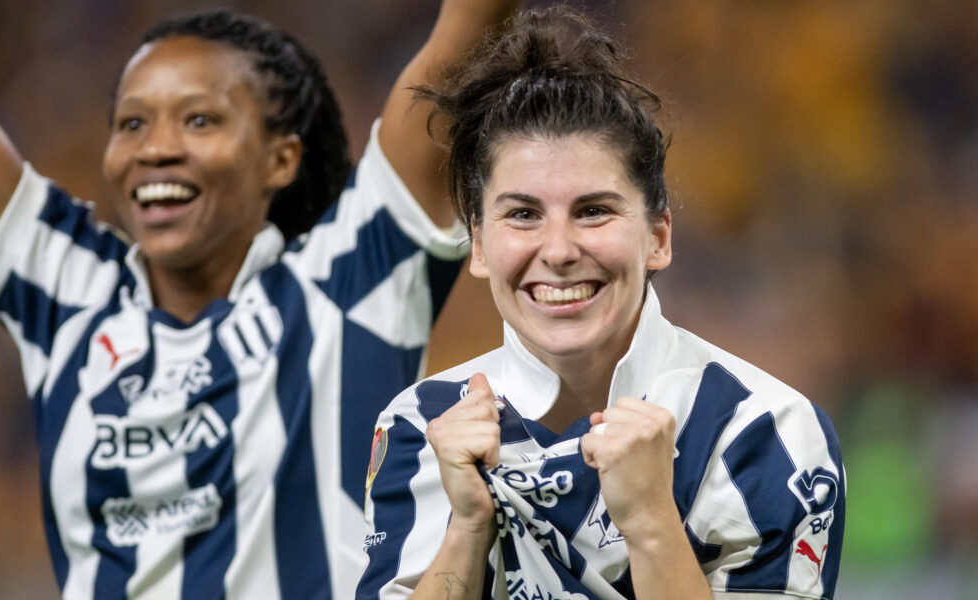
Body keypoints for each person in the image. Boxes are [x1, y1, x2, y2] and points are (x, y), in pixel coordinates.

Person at [0, 1, 519, 598]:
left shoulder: (352, 277)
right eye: (132, 124)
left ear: (281, 157)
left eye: (200, 120)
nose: (156, 149)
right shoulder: (65, 294)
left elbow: (472, 28)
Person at [357, 7, 845, 599]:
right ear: (479, 245)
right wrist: (465, 526)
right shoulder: (422, 427)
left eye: (593, 211)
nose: (558, 250)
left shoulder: (766, 433)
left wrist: (651, 524)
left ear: (658, 237)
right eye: (522, 214)